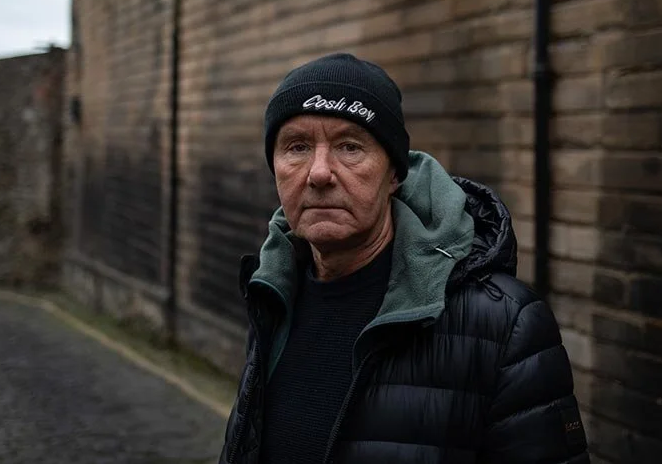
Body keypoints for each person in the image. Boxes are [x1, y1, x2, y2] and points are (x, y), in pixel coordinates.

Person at [219, 53, 589, 464]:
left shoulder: (506, 325)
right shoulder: (272, 294)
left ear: (394, 174)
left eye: (349, 146)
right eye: (297, 147)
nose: (319, 172)